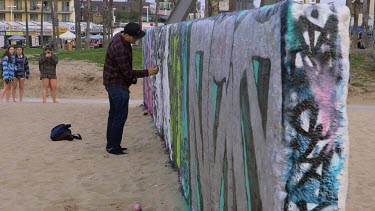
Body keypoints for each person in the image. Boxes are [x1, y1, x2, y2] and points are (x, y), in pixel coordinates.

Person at [103, 22, 159, 155]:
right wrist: (147, 72)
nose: (136, 40)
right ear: (126, 35)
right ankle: (113, 146)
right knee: (119, 116)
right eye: (134, 38)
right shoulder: (120, 47)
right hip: (117, 85)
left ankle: (112, 144)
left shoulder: (120, 38)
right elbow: (127, 72)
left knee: (114, 114)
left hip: (113, 83)